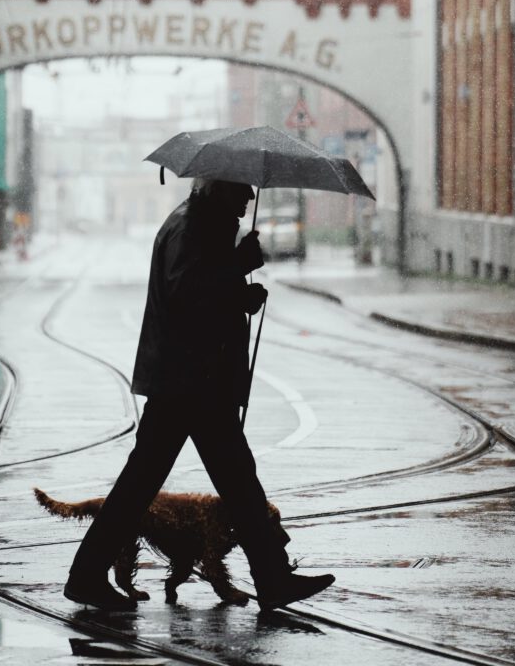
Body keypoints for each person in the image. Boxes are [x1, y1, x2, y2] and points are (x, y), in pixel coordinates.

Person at [65, 178, 334, 612]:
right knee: (196, 484)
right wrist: (237, 267)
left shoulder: (200, 226)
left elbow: (202, 294)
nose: (248, 198)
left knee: (228, 484)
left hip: (192, 382)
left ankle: (272, 577)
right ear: (218, 191)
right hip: (189, 384)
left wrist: (239, 294)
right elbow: (188, 297)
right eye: (240, 191)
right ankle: (271, 577)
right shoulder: (190, 229)